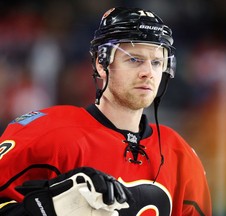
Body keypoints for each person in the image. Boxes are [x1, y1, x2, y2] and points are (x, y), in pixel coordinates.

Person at [0, 7, 212, 216]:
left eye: (156, 62)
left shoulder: (180, 155)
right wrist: (45, 209)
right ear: (102, 64)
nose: (148, 72)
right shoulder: (46, 133)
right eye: (134, 59)